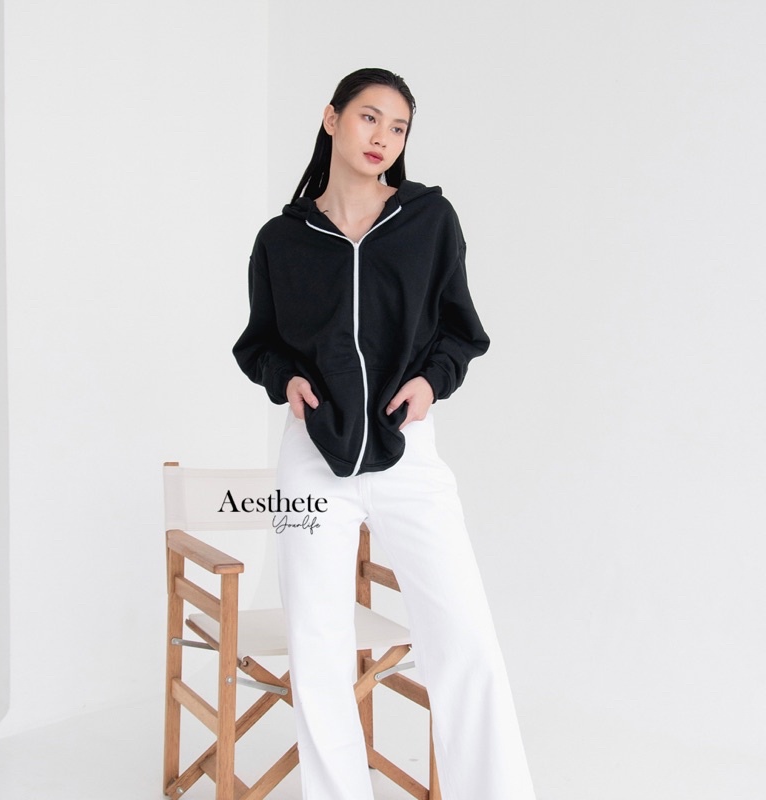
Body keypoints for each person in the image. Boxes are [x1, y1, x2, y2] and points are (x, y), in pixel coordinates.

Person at [233, 67, 536, 800]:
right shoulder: (282, 239)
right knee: (319, 650)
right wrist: (285, 380)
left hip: (409, 453)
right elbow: (258, 343)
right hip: (313, 457)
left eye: (398, 127)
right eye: (369, 117)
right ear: (332, 118)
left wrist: (431, 383)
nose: (383, 138)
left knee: (464, 637)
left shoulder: (429, 221)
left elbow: (461, 332)